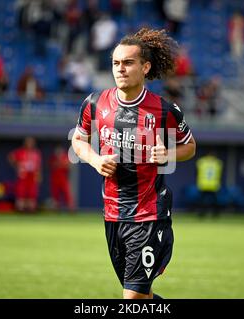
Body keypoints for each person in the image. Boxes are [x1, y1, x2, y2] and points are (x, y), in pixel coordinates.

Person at [71, 28, 196, 299]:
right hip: (113, 215)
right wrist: (95, 160)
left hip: (149, 215)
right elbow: (78, 140)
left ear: (145, 66)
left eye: (128, 63)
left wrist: (168, 154)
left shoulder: (165, 111)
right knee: (142, 296)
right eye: (116, 63)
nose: (120, 69)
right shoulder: (94, 103)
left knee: (133, 297)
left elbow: (190, 146)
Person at [8, 137, 42, 213]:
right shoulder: (20, 151)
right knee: (21, 192)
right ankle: (20, 210)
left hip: (32, 175)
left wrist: (39, 175)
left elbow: (38, 166)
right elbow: (11, 157)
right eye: (28, 142)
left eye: (31, 142)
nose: (29, 144)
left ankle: (31, 210)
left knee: (32, 193)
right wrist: (17, 166)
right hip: (23, 175)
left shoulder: (36, 153)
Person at [47, 145, 75, 211]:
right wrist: (60, 164)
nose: (59, 153)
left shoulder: (65, 157)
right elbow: (51, 166)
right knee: (55, 196)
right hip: (54, 180)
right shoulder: (53, 158)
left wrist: (61, 164)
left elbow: (69, 166)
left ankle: (71, 210)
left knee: (67, 195)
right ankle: (55, 209)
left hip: (63, 179)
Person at [195, 151, 223, 217]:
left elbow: (196, 173)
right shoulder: (218, 163)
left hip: (203, 184)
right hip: (214, 185)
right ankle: (215, 214)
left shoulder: (201, 161)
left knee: (202, 201)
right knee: (215, 201)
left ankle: (201, 214)